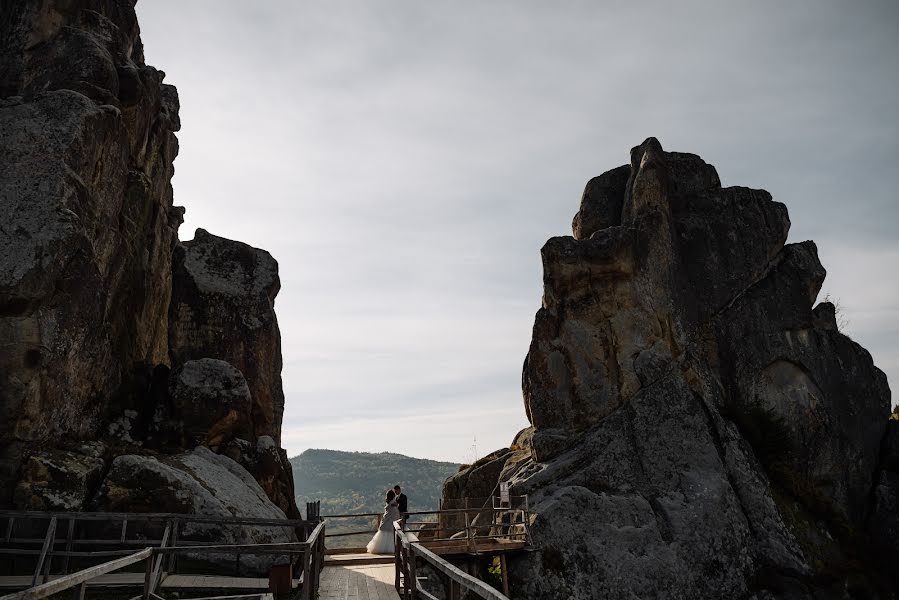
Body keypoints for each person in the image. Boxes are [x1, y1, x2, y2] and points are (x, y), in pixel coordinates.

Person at [366, 489, 401, 554]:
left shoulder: (389, 503)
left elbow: (388, 512)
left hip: (386, 521)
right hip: (392, 521)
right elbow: (395, 513)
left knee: (384, 534)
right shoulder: (394, 504)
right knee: (391, 535)